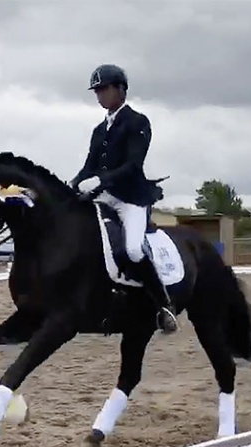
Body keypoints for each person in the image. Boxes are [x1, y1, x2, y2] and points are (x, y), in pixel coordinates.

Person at [69, 63, 178, 334]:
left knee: (132, 249)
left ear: (120, 89)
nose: (100, 96)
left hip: (130, 199)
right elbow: (89, 167)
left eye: (104, 89)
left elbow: (132, 165)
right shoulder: (98, 131)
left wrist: (101, 181)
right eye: (97, 91)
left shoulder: (137, 122)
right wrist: (71, 184)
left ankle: (164, 304)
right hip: (103, 197)